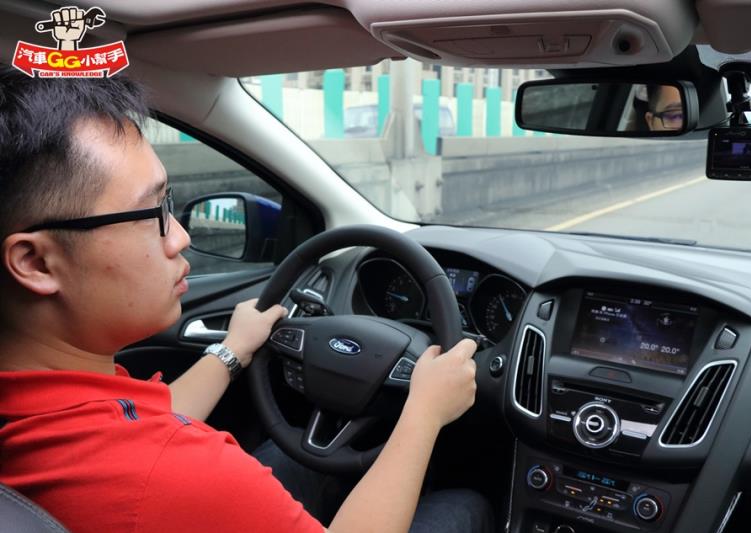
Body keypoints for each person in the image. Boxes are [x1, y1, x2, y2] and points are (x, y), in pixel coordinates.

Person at [0, 66, 492, 533]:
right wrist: (425, 410)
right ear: (36, 263)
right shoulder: (172, 470)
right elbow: (159, 453)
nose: (180, 237)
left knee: (290, 461)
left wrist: (233, 350)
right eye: (152, 212)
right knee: (465, 506)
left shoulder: (49, 410)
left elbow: (156, 417)